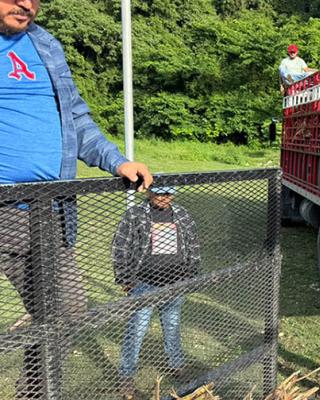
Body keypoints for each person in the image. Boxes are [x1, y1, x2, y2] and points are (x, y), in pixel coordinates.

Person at [0, 1, 152, 397]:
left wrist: (117, 162)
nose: (27, 5)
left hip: (47, 212)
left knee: (65, 312)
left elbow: (77, 121)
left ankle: (32, 395)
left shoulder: (45, 44)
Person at [113, 186, 201, 399]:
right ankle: (126, 376)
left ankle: (177, 365)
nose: (164, 198)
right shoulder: (135, 214)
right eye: (159, 193)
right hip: (144, 283)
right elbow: (120, 246)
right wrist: (125, 278)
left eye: (169, 194)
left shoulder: (181, 214)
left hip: (175, 282)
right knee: (137, 329)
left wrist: (192, 273)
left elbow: (193, 243)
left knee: (172, 325)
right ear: (148, 193)